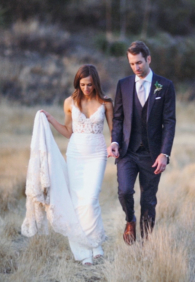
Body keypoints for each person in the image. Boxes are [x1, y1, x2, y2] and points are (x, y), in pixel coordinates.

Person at [34, 64, 113, 266]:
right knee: (78, 201)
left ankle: (95, 242)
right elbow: (69, 131)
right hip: (75, 155)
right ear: (77, 82)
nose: (86, 88)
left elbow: (114, 132)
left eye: (90, 84)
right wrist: (51, 120)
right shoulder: (69, 102)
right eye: (83, 84)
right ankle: (85, 248)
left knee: (91, 198)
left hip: (97, 154)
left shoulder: (105, 103)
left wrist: (114, 145)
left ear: (96, 83)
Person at [107, 41, 176, 245]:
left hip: (152, 155)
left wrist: (164, 153)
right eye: (131, 64)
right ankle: (130, 220)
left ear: (148, 59)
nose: (136, 67)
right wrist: (115, 141)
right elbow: (118, 118)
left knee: (148, 201)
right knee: (125, 191)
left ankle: (146, 244)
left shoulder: (165, 86)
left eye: (139, 62)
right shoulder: (124, 84)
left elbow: (169, 122)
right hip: (127, 152)